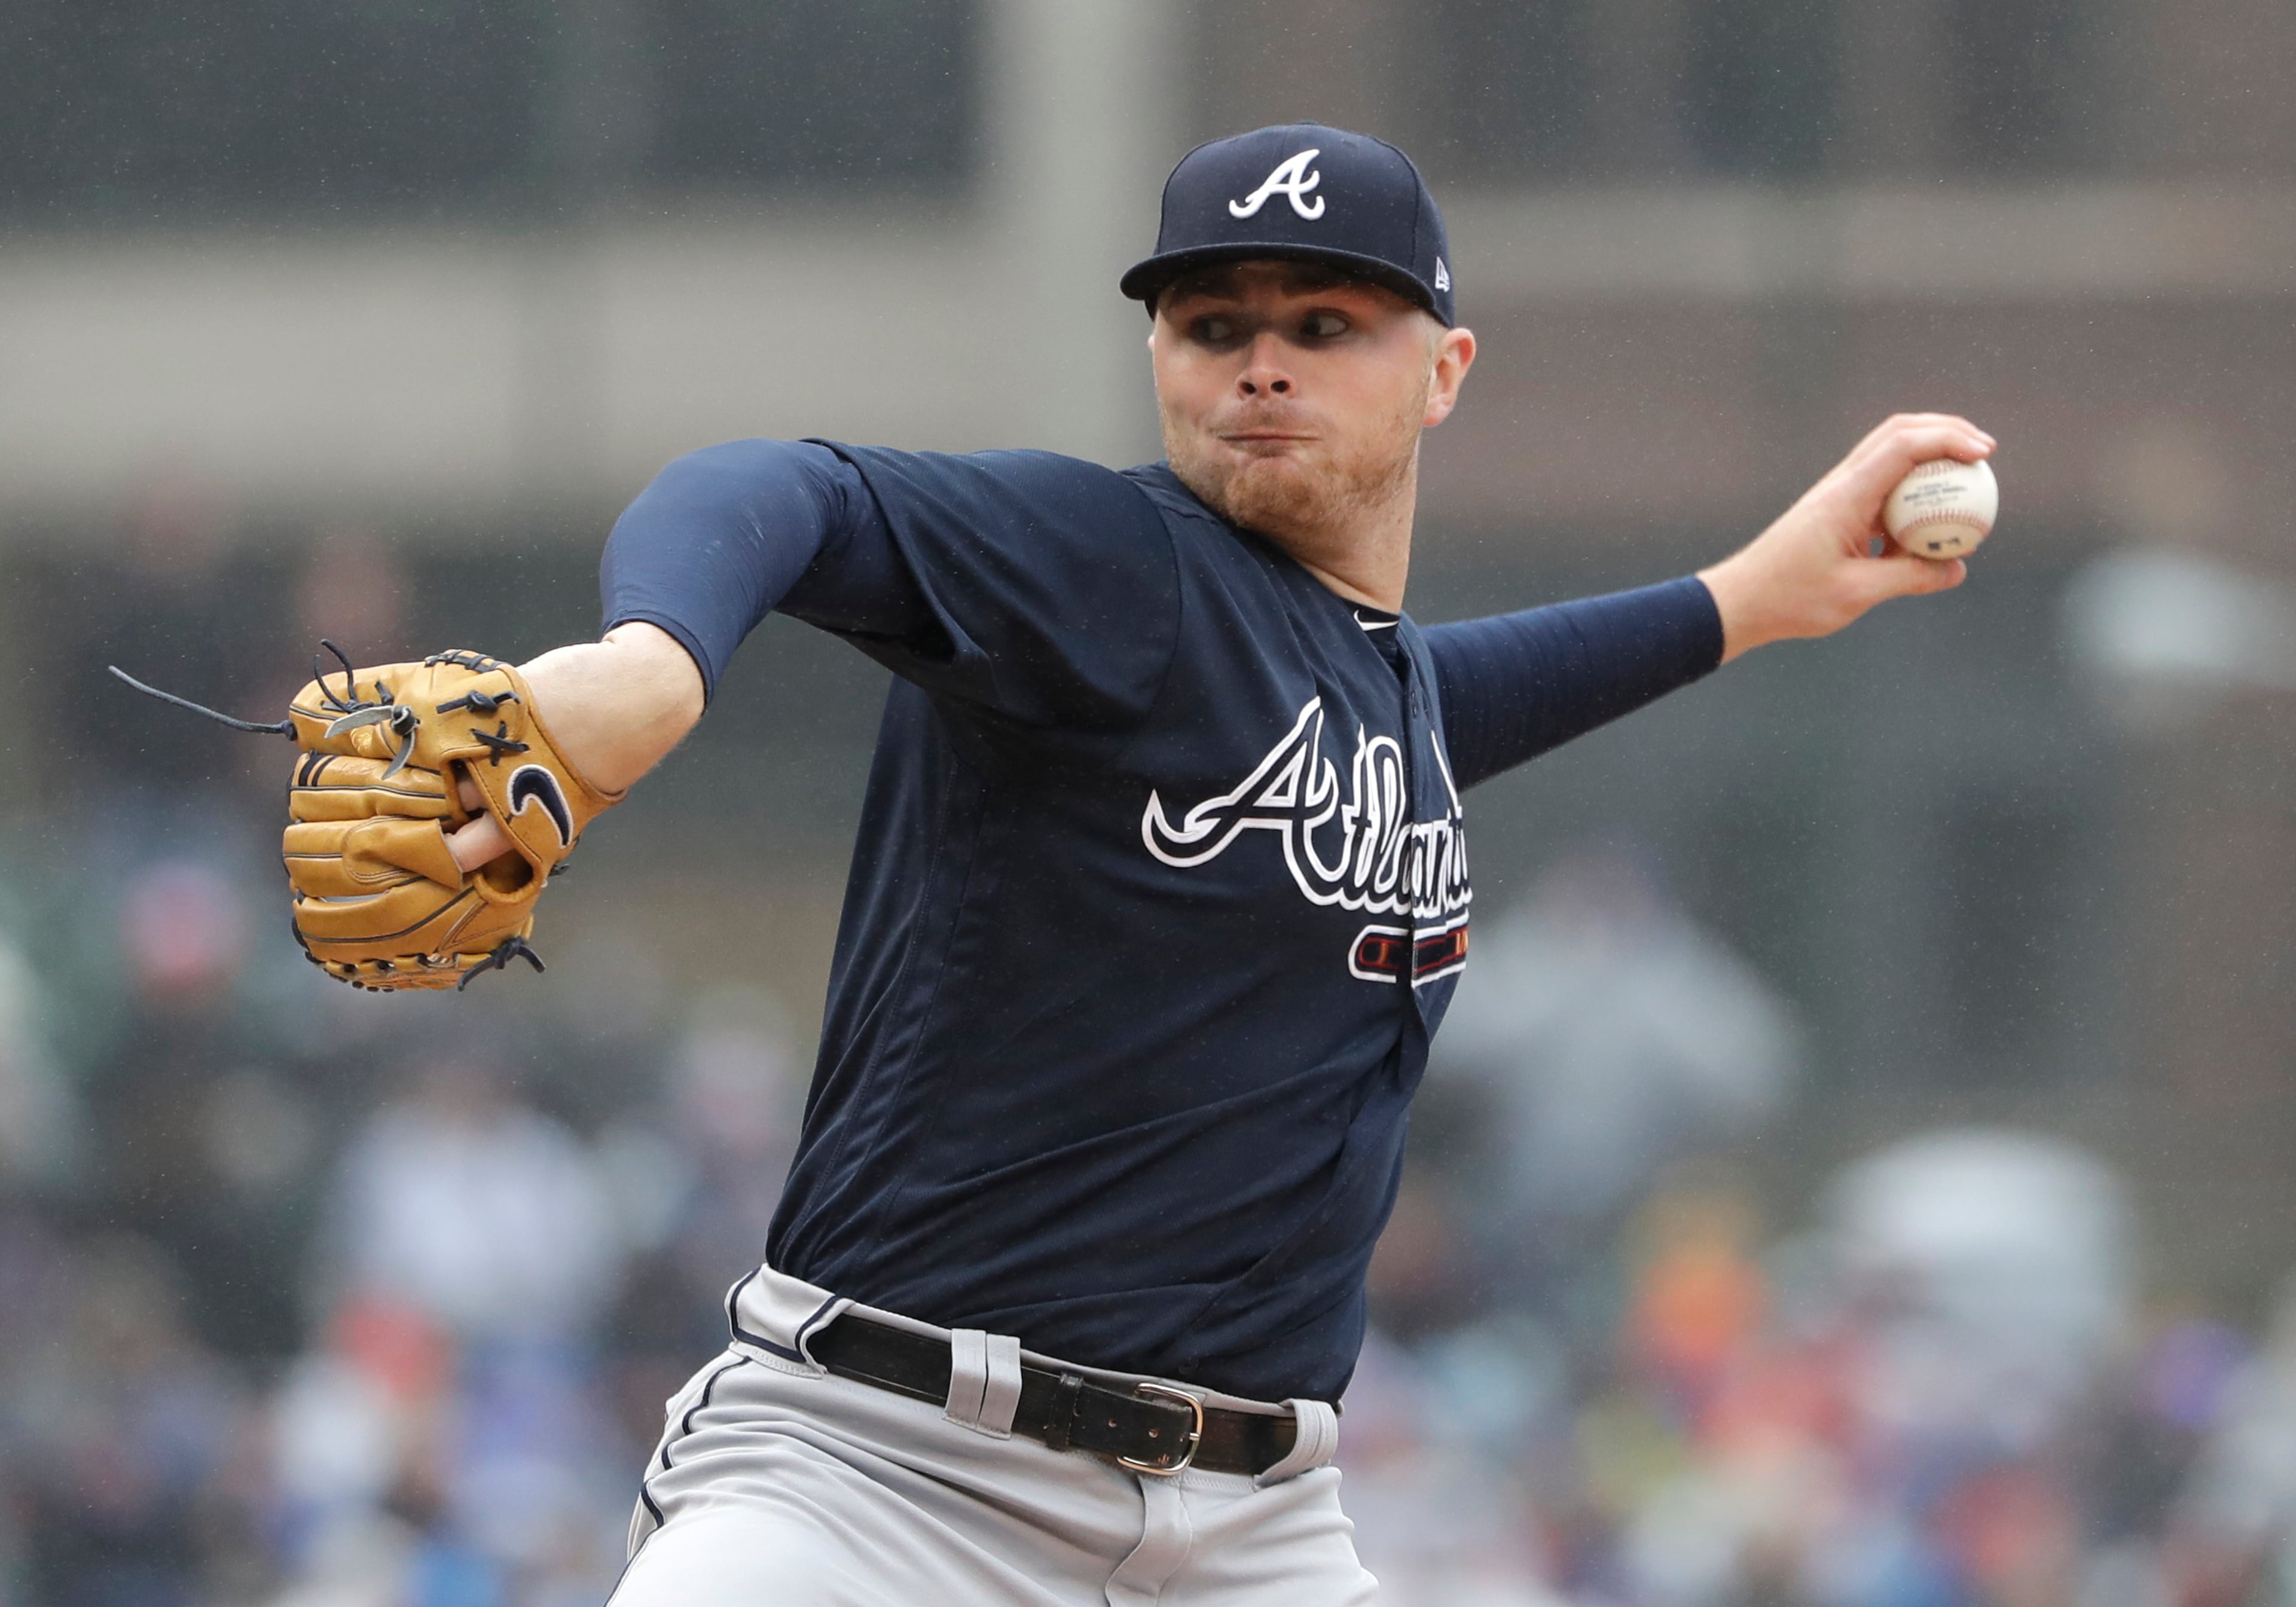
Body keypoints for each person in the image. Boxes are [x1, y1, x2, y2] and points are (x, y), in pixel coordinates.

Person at [442, 124, 1991, 1604]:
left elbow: (1445, 701)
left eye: (1327, 323)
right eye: (1211, 321)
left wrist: (1749, 598)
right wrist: (650, 659)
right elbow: (786, 489)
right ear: (1159, 360)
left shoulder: (1367, 692)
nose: (1262, 359)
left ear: (1445, 372)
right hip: (889, 1483)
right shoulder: (1113, 573)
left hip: (1257, 1536)